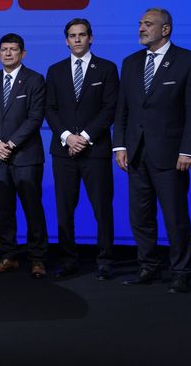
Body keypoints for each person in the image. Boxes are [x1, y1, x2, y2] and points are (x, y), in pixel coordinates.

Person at [114, 8, 191, 293]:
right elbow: (123, 109)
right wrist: (120, 144)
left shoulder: (189, 62)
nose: (141, 28)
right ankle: (148, 267)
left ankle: (180, 271)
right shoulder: (130, 63)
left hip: (171, 155)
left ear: (165, 29)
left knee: (175, 216)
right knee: (140, 216)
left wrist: (189, 151)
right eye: (140, 23)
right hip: (136, 154)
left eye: (148, 24)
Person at [45, 18, 118, 280]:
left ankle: (105, 260)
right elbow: (49, 109)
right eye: (72, 35)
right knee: (64, 209)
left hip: (94, 151)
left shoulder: (107, 69)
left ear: (91, 38)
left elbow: (109, 108)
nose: (77, 39)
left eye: (82, 34)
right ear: (66, 40)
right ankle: (68, 260)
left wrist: (84, 137)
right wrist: (68, 137)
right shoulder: (55, 71)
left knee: (102, 208)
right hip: (63, 152)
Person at [0, 33, 49, 278]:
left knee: (33, 209)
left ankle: (38, 258)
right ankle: (8, 256)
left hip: (26, 156)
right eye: (4, 49)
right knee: (4, 210)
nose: (8, 53)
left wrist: (10, 143)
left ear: (23, 53)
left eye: (13, 49)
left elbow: (35, 117)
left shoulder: (34, 79)